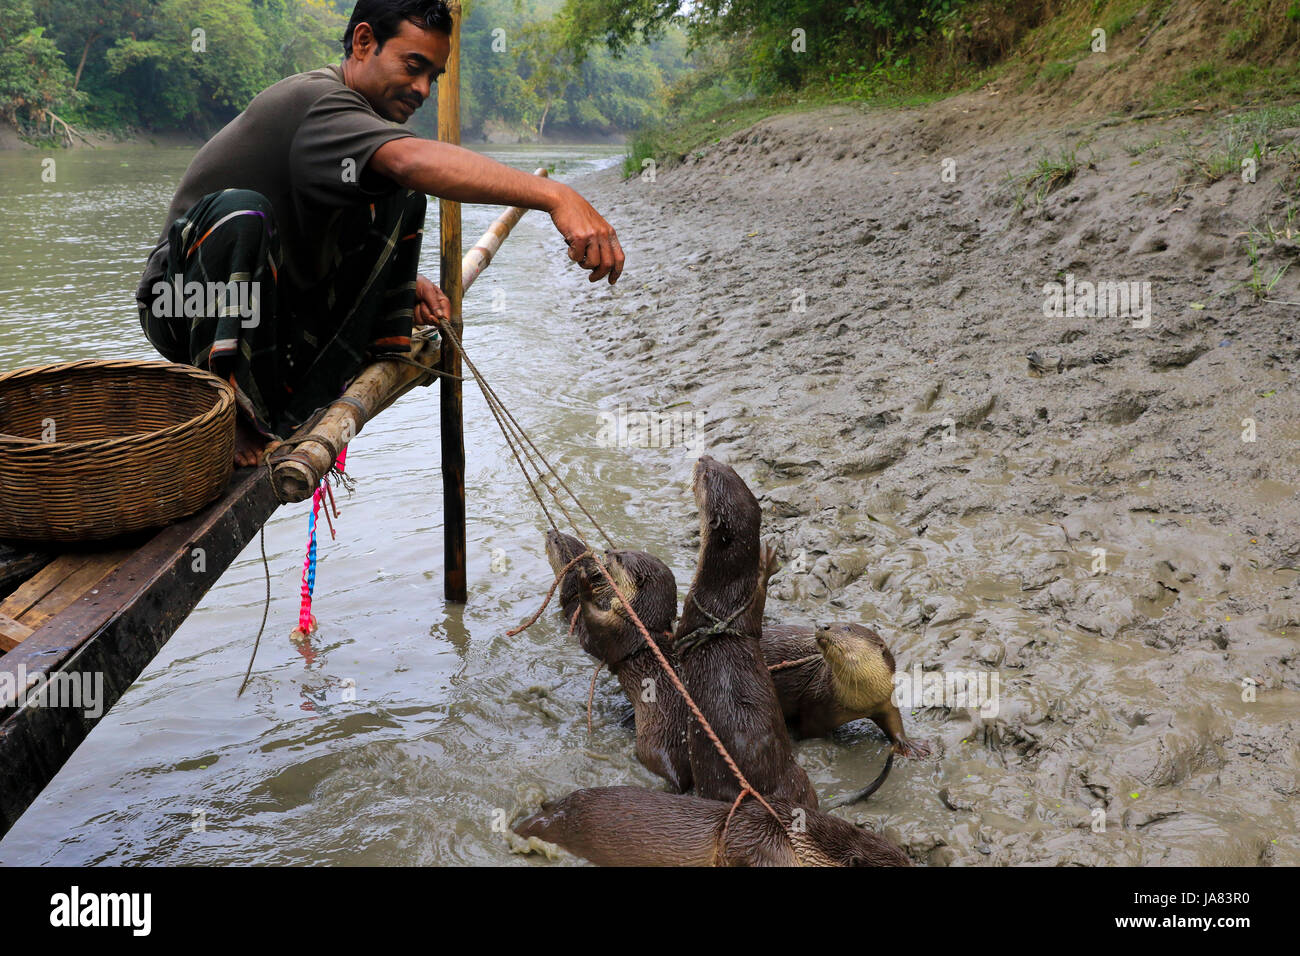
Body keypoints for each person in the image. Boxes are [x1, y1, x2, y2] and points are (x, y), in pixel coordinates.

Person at [136, 0, 624, 466]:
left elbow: (357, 215)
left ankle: (355, 351)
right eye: (413, 66)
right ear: (364, 42)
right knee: (243, 212)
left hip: (272, 310)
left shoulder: (362, 129)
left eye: (433, 76)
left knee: (401, 191)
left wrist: (401, 288)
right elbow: (413, 160)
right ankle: (224, 412)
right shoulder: (316, 100)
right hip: (185, 307)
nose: (423, 89)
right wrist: (558, 196)